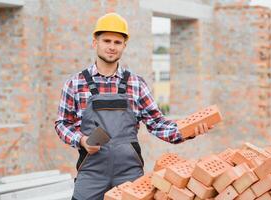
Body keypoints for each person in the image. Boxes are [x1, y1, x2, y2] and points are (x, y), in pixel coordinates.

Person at [55, 12, 211, 200]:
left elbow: (157, 124)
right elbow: (62, 124)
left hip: (128, 173)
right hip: (91, 173)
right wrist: (81, 140)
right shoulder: (75, 83)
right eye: (107, 41)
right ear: (95, 42)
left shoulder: (136, 84)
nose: (112, 47)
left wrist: (189, 130)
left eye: (117, 42)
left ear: (124, 46)